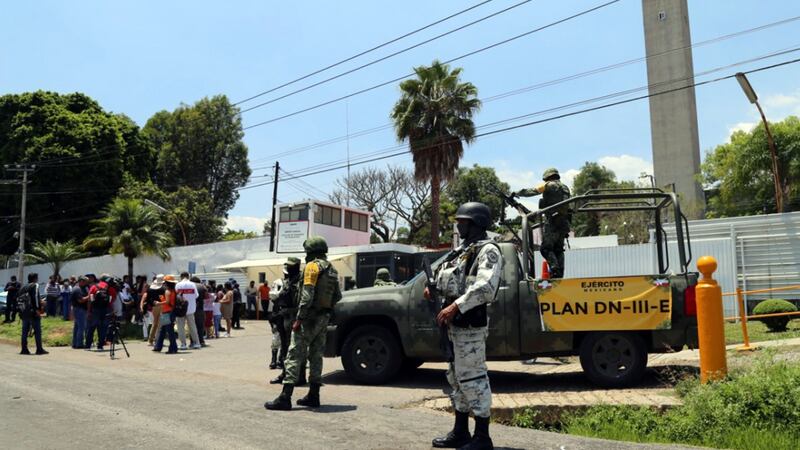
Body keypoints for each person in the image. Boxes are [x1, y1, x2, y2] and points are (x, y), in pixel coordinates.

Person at [429, 202, 504, 450]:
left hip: (469, 324)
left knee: (473, 377)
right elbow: (452, 279)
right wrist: (434, 288)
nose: (459, 225)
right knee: (456, 378)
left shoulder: (488, 251)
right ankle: (461, 431)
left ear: (475, 224)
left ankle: (482, 437)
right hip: (453, 326)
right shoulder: (461, 250)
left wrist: (455, 307)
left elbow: (485, 287)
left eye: (463, 221)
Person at [266, 236, 342, 410]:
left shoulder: (312, 267)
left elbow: (307, 295)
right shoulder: (332, 269)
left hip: (308, 318)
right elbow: (337, 296)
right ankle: (313, 395)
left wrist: (299, 318)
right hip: (323, 318)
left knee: (294, 355)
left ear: (311, 252)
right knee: (316, 356)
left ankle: (285, 397)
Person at [514, 167, 572, 279]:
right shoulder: (565, 188)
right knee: (558, 249)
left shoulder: (548, 185)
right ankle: (559, 274)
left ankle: (555, 270)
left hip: (553, 221)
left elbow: (533, 191)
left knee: (545, 249)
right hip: (564, 222)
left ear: (548, 177)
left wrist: (517, 193)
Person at [269, 257, 303, 385]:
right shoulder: (288, 281)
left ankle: (296, 376)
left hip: (293, 316)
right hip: (283, 316)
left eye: (289, 266)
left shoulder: (300, 281)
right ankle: (284, 373)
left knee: (293, 348)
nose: (286, 269)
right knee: (284, 347)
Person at [86, 274, 117, 351]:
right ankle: (100, 346)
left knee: (91, 328)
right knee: (103, 328)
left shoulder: (94, 287)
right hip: (106, 310)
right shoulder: (110, 288)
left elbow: (90, 300)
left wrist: (89, 311)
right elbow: (112, 300)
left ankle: (88, 345)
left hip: (95, 310)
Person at [19, 272, 47, 355]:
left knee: (24, 331)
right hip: (32, 312)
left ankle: (24, 349)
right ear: (35, 278)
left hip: (24, 312)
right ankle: (39, 349)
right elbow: (35, 297)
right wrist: (38, 309)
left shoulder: (23, 286)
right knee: (37, 331)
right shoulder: (35, 285)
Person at [153, 275, 179, 354]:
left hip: (167, 312)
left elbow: (167, 302)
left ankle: (173, 348)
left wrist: (158, 303)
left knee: (169, 331)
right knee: (163, 330)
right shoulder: (174, 291)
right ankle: (158, 346)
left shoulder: (167, 291)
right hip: (170, 311)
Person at [175, 272, 201, 350]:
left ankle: (183, 344)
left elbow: (176, 296)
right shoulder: (193, 284)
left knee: (180, 327)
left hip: (180, 309)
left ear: (181, 277)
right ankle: (196, 343)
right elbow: (196, 296)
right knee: (192, 326)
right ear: (188, 276)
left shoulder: (178, 285)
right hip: (191, 308)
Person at [143, 275, 165, 345]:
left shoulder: (150, 289)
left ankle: (150, 340)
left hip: (154, 307)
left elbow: (148, 299)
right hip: (162, 305)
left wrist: (153, 303)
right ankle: (158, 340)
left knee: (154, 324)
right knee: (160, 325)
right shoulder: (163, 289)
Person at [70, 277, 90, 349]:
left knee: (77, 327)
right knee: (81, 327)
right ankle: (79, 344)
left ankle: (75, 343)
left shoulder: (82, 288)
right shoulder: (77, 289)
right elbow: (80, 300)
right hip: (79, 309)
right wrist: (89, 296)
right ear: (81, 281)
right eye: (85, 282)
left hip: (79, 309)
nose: (86, 283)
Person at [192, 277, 207, 346]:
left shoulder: (190, 285)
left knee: (192, 326)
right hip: (200, 308)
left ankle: (193, 341)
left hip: (190, 308)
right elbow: (206, 296)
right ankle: (201, 341)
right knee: (200, 326)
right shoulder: (202, 286)